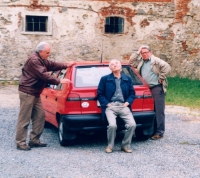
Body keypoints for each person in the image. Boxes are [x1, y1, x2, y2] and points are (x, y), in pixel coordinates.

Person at [16, 41, 75, 151]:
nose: (49, 55)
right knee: (24, 119)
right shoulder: (34, 60)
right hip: (28, 92)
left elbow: (51, 64)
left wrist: (66, 65)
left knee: (39, 116)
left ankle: (34, 140)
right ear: (41, 51)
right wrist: (59, 80)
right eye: (47, 53)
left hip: (35, 92)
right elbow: (44, 75)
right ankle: (20, 142)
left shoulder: (41, 59)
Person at [129, 45, 171, 140]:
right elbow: (130, 62)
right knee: (149, 110)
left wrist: (161, 77)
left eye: (146, 52)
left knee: (158, 110)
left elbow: (167, 67)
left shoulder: (156, 60)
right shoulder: (141, 61)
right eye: (142, 53)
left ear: (150, 52)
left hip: (156, 87)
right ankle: (152, 130)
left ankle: (159, 132)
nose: (144, 54)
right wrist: (137, 52)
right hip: (146, 88)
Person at [97, 59, 136, 153]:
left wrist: (127, 103)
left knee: (132, 125)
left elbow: (132, 93)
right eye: (112, 64)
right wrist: (107, 104)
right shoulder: (105, 79)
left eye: (117, 63)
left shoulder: (127, 79)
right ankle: (110, 146)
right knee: (112, 126)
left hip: (123, 106)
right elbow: (100, 94)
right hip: (111, 107)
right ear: (110, 68)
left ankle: (125, 145)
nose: (115, 65)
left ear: (121, 66)